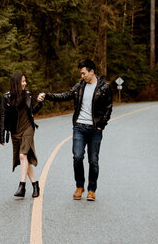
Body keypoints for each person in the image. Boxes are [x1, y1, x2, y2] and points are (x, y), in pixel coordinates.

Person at [37, 58, 113, 201]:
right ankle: (79, 186)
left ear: (92, 71)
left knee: (93, 160)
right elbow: (64, 95)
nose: (82, 76)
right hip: (79, 127)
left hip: (95, 129)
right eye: (81, 74)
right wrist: (47, 95)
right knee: (77, 157)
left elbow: (108, 108)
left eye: (84, 73)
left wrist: (101, 124)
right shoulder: (79, 86)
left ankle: (91, 190)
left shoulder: (104, 88)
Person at [0, 72, 43, 198]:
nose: (25, 83)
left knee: (23, 155)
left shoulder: (28, 94)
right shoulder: (7, 97)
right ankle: (35, 184)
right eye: (22, 81)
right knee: (25, 159)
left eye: (25, 81)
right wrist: (2, 136)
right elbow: (3, 117)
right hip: (15, 131)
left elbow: (32, 112)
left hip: (28, 128)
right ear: (16, 83)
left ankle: (22, 186)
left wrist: (39, 104)